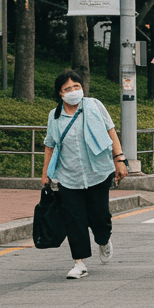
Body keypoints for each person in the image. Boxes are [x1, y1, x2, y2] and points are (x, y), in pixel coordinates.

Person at [41, 70, 129, 279]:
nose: (73, 91)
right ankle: (79, 263)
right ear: (60, 94)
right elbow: (50, 145)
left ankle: (103, 239)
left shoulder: (94, 105)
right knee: (74, 219)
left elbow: (111, 130)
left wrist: (120, 160)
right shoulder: (55, 116)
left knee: (100, 216)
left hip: (98, 171)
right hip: (68, 176)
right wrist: (45, 174)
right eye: (67, 89)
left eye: (76, 86)